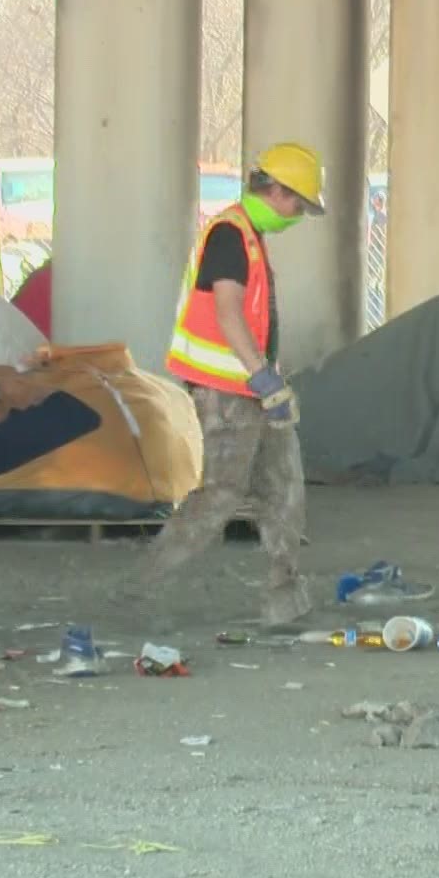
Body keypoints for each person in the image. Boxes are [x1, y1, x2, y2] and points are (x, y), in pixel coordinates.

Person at [147, 142, 320, 627]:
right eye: (298, 204)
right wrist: (264, 379)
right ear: (277, 190)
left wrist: (271, 381)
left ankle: (283, 595)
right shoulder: (229, 234)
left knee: (285, 487)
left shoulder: (248, 237)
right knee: (221, 494)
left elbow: (249, 318)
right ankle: (142, 587)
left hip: (252, 388)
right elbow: (227, 313)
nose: (300, 215)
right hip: (226, 391)